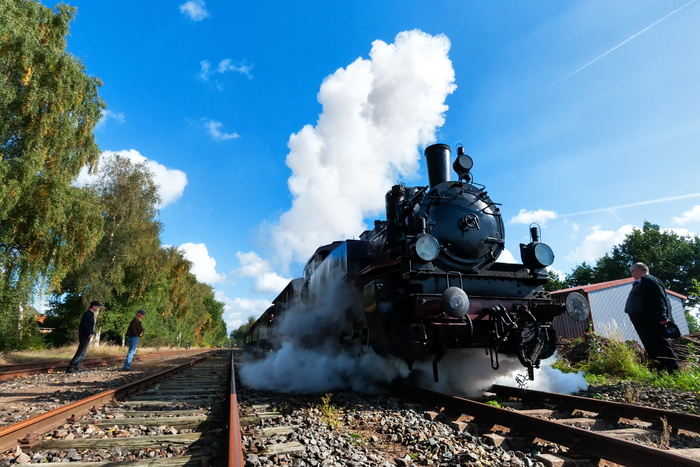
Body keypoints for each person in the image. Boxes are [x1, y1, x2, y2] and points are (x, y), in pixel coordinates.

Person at [624, 262, 679, 373]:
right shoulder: (643, 282)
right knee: (651, 345)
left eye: (632, 272)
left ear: (638, 270)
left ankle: (674, 370)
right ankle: (662, 370)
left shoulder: (650, 281)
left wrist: (662, 316)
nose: (632, 275)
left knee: (660, 344)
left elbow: (659, 299)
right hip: (644, 321)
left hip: (651, 320)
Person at [66, 300, 101, 373]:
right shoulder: (87, 314)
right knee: (80, 352)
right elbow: (84, 325)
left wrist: (91, 333)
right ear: (93, 306)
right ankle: (71, 367)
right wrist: (89, 333)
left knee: (83, 352)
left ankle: (77, 367)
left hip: (86, 335)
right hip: (84, 335)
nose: (98, 308)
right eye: (97, 306)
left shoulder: (90, 314)